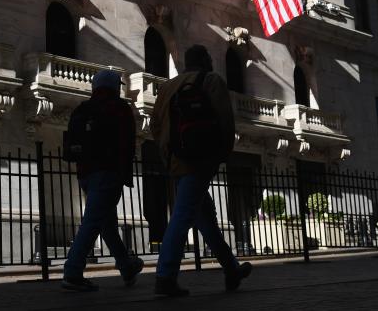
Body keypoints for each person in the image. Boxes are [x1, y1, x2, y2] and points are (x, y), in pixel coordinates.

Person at [149, 45, 252, 297]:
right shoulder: (212, 80)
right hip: (200, 159)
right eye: (209, 57)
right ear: (205, 60)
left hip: (176, 161)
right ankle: (165, 277)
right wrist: (221, 155)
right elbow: (226, 122)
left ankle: (231, 269)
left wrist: (168, 156)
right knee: (183, 216)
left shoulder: (167, 87)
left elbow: (155, 126)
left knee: (203, 218)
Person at [62, 69, 144, 292]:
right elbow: (127, 144)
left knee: (106, 224)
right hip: (108, 172)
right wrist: (122, 172)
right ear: (114, 86)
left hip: (86, 174)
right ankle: (73, 272)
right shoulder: (118, 108)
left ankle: (126, 265)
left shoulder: (83, 108)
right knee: (93, 222)